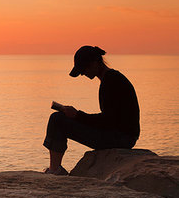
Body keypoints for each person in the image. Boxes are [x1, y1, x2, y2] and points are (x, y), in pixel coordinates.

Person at [43, 45, 140, 175]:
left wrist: (77, 115)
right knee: (59, 118)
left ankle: (55, 170)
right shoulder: (111, 79)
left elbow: (108, 121)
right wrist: (76, 115)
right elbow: (110, 119)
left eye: (84, 69)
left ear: (95, 63)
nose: (83, 73)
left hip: (121, 138)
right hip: (122, 135)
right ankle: (55, 168)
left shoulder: (112, 81)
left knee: (57, 119)